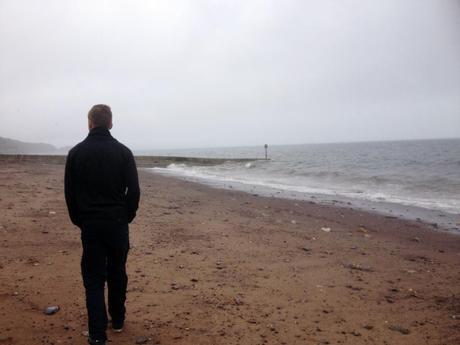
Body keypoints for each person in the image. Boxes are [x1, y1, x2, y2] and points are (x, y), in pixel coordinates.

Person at [64, 104, 140, 345]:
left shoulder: (76, 153)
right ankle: (117, 319)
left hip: (91, 223)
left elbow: (70, 194)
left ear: (90, 123)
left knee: (94, 278)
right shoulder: (124, 152)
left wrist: (80, 220)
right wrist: (126, 215)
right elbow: (134, 191)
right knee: (117, 271)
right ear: (110, 123)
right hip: (117, 222)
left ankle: (97, 335)